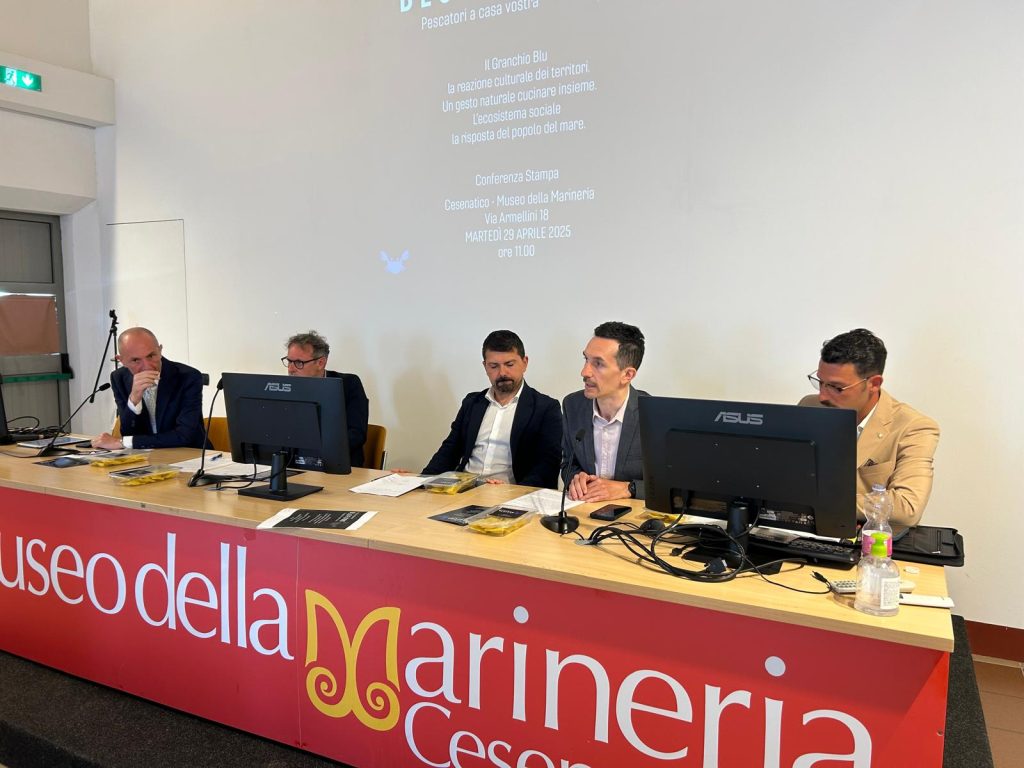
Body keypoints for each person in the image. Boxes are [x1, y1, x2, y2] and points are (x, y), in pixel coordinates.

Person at [801, 328, 939, 526]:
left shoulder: (914, 427)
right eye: (820, 382)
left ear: (874, 384)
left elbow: (907, 506)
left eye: (836, 388)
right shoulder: (810, 406)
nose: (823, 396)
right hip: (800, 530)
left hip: (869, 540)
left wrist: (818, 500)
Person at [422, 330, 562, 488]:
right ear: (485, 366)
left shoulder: (546, 408)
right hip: (464, 490)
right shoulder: (472, 403)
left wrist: (513, 492)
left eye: (509, 364)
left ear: (525, 363)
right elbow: (449, 450)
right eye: (494, 366)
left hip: (511, 492)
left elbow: (547, 465)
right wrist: (420, 481)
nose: (502, 373)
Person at [563, 321, 649, 502]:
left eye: (598, 364)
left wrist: (629, 488)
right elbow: (568, 464)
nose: (584, 372)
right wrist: (576, 479)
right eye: (586, 359)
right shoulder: (572, 406)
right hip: (585, 509)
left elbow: (673, 484)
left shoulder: (652, 414)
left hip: (633, 513)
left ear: (627, 375)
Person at [92, 327, 206, 450]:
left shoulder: (188, 377)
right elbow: (128, 431)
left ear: (160, 350)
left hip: (189, 453)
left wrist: (122, 443)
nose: (147, 366)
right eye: (136, 360)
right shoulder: (119, 378)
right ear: (121, 360)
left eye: (151, 356)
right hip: (146, 455)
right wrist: (134, 399)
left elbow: (184, 436)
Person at [283, 330, 369, 468]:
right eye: (289, 361)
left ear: (320, 363)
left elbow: (356, 434)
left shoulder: (348, 385)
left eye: (298, 362)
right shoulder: (283, 388)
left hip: (336, 466)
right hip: (293, 465)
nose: (291, 369)